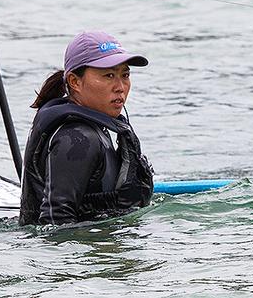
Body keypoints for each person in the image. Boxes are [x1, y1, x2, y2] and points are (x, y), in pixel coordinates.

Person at [19, 31, 154, 225]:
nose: (120, 86)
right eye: (108, 75)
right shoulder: (77, 138)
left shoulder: (98, 128)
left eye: (125, 75)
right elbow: (55, 225)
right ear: (75, 82)